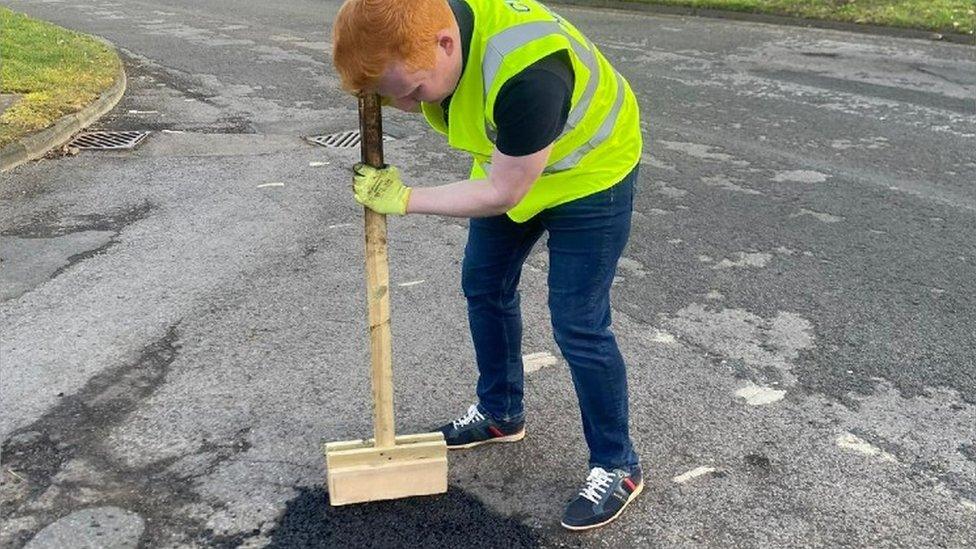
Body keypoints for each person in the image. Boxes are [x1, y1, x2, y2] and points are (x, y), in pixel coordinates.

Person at [332, 0, 643, 530]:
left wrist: (403, 198)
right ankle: (500, 412)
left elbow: (502, 191)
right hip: (518, 163)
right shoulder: (427, 29)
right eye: (387, 96)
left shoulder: (529, 73)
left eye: (409, 91)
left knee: (578, 323)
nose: (403, 105)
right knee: (484, 284)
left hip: (589, 175)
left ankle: (618, 464)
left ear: (444, 44)